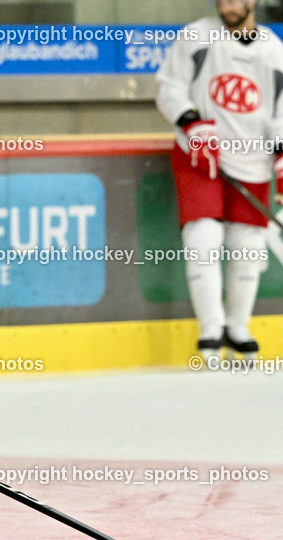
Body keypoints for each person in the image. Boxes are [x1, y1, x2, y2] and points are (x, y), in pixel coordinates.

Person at [156, 0, 277, 363]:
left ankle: (238, 327)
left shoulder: (274, 52)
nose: (227, 6)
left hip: (253, 159)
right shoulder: (196, 35)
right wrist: (192, 122)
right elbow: (168, 87)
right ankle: (211, 328)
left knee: (248, 246)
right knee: (203, 237)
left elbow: (281, 111)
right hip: (199, 155)